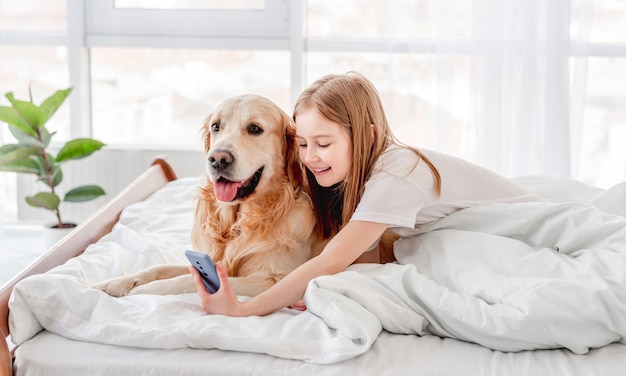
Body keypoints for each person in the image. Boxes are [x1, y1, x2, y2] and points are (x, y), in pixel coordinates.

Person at [188, 71, 542, 317]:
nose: (309, 157)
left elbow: (330, 261)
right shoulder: (352, 180)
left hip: (530, 229)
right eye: (304, 144)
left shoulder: (398, 172)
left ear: (367, 137)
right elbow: (365, 257)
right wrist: (314, 289)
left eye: (323, 144)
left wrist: (242, 308)